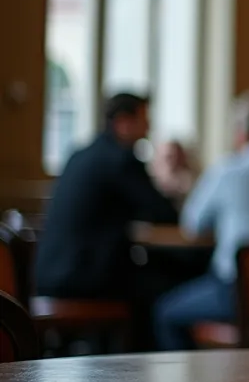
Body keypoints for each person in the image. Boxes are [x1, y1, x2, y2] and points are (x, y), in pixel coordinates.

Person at [154, 92, 249, 350]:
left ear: (241, 133)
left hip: (237, 294)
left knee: (165, 313)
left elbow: (192, 224)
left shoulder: (228, 171)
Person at [34, 93, 179, 299]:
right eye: (145, 120)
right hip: (84, 278)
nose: (148, 129)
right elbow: (163, 213)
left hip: (49, 275)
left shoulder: (80, 154)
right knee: (168, 288)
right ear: (123, 122)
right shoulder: (121, 160)